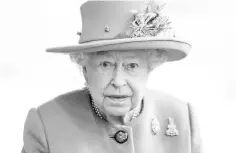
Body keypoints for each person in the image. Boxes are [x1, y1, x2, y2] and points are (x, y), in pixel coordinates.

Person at [21, 0, 202, 153]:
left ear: (150, 68)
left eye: (132, 65)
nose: (118, 81)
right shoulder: (46, 123)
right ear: (84, 69)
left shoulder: (182, 118)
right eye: (105, 65)